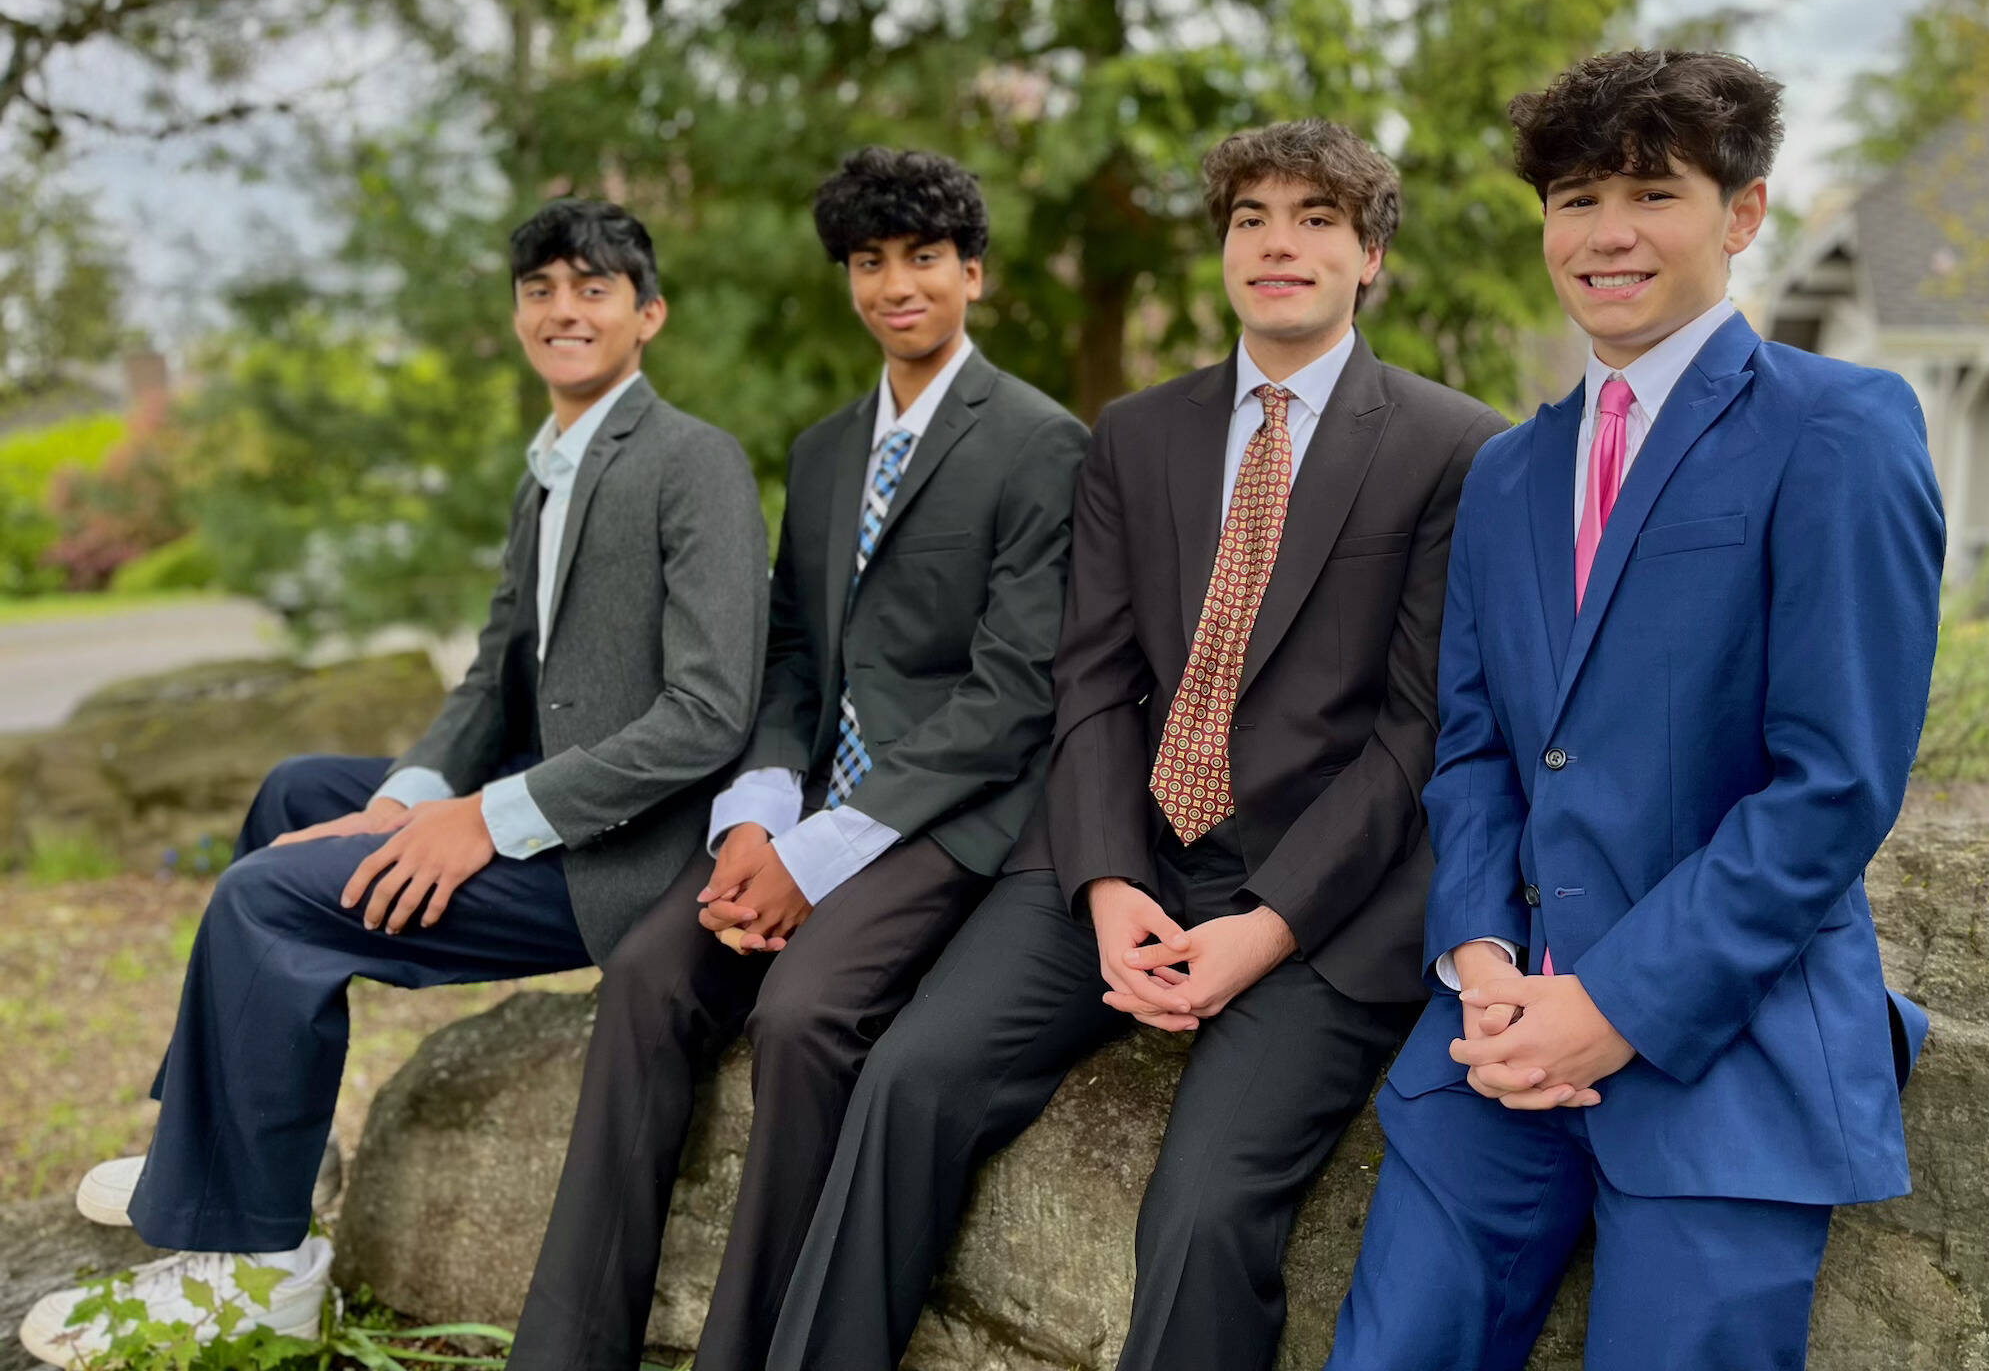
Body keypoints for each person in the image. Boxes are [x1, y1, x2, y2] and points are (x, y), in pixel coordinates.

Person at [765, 119, 1509, 1371]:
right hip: (1118, 856)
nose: (1278, 243)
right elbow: (1093, 679)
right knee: (908, 1082)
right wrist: (1107, 883)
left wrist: (1264, 926)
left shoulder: (1453, 446)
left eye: (1316, 219)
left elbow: (1415, 732)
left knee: (1204, 1205)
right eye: (1250, 218)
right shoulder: (1135, 433)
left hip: (1315, 904)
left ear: (1370, 254)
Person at [19, 198, 771, 1364]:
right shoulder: (548, 473)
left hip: (626, 858)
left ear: (648, 314)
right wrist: (414, 792)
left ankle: (264, 1279)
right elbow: (487, 679)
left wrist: (484, 820)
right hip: (546, 801)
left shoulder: (692, 461)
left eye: (593, 288)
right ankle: (236, 1160)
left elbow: (710, 714)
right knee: (296, 793)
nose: (562, 309)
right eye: (540, 290)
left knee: (268, 899)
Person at [1324, 49, 1942, 1371]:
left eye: (1648, 194)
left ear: (1740, 212)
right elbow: (1478, 748)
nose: (1603, 234)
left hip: (1724, 1040)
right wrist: (1478, 961)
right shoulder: (1503, 474)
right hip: (1495, 1045)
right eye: (1570, 199)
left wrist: (1613, 1001)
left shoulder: (1838, 429)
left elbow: (1831, 784)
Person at [504, 147, 1088, 1371]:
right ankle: (566, 1350)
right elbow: (784, 660)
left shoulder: (1041, 444)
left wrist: (818, 859)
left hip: (949, 818)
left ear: (971, 272)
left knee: (805, 1011)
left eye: (923, 258)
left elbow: (1008, 696)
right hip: (807, 803)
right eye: (869, 264)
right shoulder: (824, 451)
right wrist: (757, 822)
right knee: (652, 975)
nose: (896, 285)